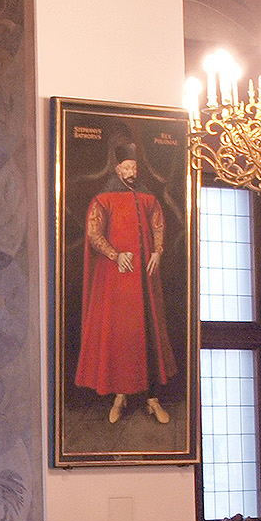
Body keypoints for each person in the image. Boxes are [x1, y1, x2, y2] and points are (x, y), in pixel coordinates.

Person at [74, 139, 177, 424]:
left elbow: (158, 223)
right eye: (127, 166)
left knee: (149, 334)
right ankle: (120, 397)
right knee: (121, 337)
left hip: (145, 280)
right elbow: (94, 235)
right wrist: (115, 254)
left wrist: (158, 250)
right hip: (117, 281)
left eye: (135, 166)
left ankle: (151, 399)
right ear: (118, 168)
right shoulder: (102, 200)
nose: (132, 171)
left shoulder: (149, 199)